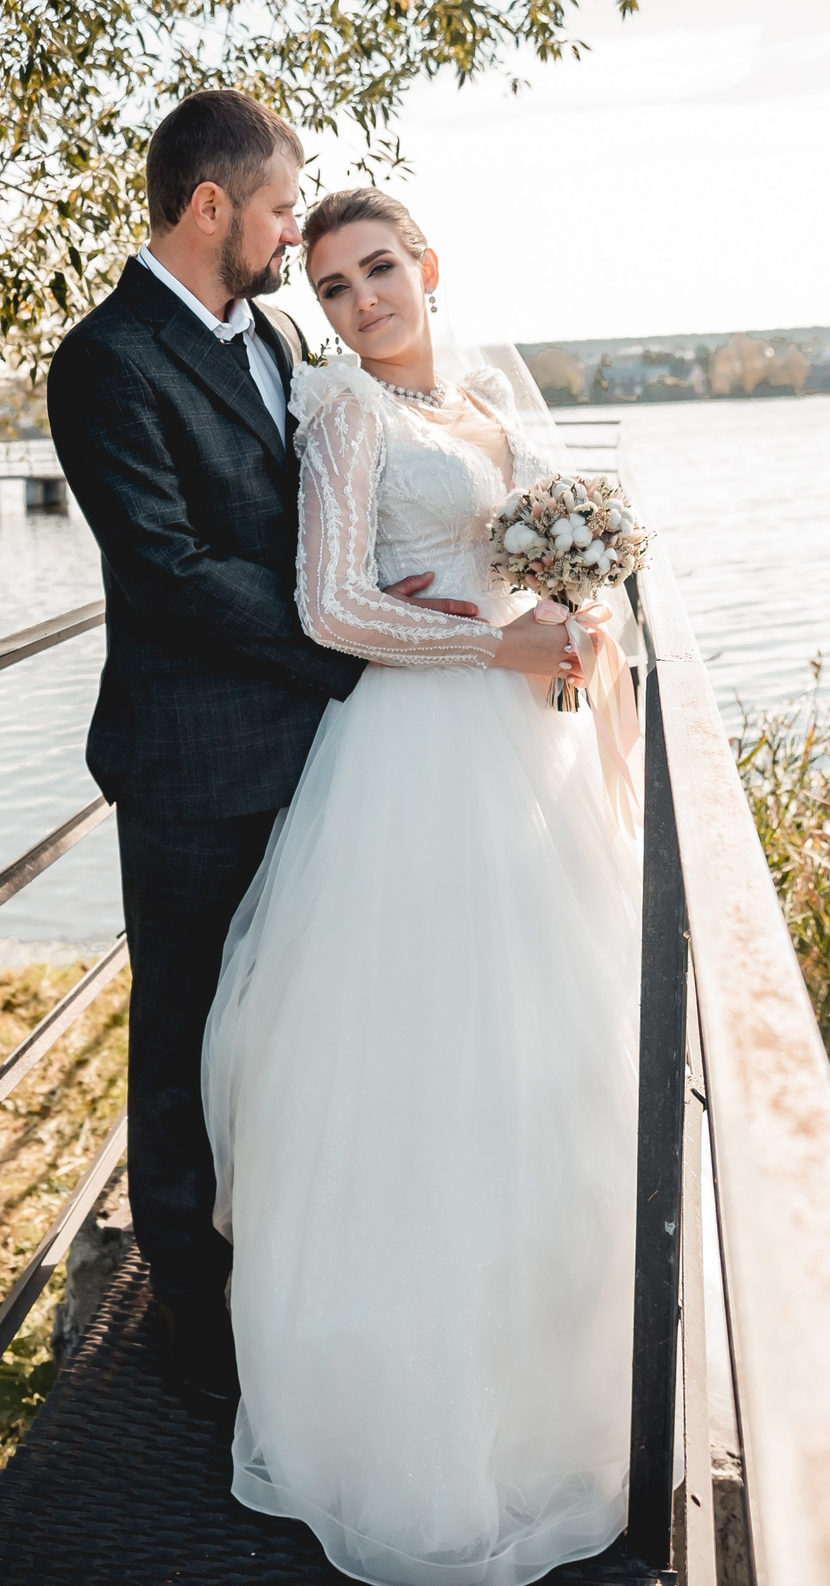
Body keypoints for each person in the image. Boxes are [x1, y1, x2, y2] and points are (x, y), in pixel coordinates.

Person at [47, 94, 581, 1419]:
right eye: (284, 210)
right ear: (213, 205)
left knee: (295, 1036)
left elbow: (346, 510)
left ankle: (300, 1266)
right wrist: (358, 646)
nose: (300, 237)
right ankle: (190, 1319)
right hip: (193, 757)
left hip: (331, 755)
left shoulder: (284, 335)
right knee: (184, 1044)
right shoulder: (105, 360)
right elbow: (168, 573)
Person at [199, 186, 643, 1586]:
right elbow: (331, 605)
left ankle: (559, 1390)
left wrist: (573, 622)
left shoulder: (489, 417)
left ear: (429, 267)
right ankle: (406, 1437)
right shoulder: (345, 416)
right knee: (416, 1076)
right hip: (408, 759)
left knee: (552, 1062)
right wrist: (500, 651)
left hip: (530, 757)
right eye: (331, 286)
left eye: (379, 270)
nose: (361, 301)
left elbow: (515, 580)